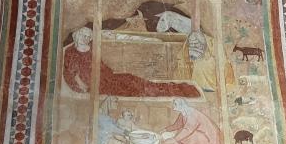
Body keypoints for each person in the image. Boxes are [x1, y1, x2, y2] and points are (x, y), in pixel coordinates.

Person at [62, 27, 199, 98]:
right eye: (83, 35)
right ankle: (178, 91)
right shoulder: (71, 53)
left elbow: (102, 64)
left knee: (136, 81)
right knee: (139, 90)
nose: (85, 38)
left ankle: (180, 89)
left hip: (110, 78)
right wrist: (82, 90)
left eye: (88, 36)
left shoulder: (91, 48)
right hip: (99, 86)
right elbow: (69, 76)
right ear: (76, 36)